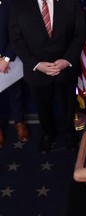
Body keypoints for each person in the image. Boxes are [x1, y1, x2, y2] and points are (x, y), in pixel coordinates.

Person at [9, 0, 86, 153]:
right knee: (42, 107)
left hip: (65, 67)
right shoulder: (18, 5)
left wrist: (67, 60)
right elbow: (16, 40)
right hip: (37, 70)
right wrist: (37, 65)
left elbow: (80, 33)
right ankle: (47, 134)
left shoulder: (71, 3)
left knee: (68, 104)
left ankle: (69, 133)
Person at [0, 0, 28, 148]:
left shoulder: (10, 3)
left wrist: (6, 58)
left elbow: (17, 32)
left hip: (10, 60)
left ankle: (19, 122)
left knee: (16, 93)